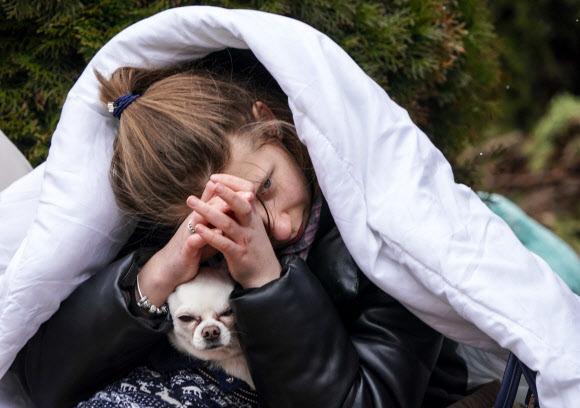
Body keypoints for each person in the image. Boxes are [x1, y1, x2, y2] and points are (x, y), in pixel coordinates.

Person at [14, 50, 469, 408]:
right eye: (229, 216)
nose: (282, 225)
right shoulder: (169, 237)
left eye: (266, 185)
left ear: (267, 121)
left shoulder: (384, 226)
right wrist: (156, 276)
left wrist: (264, 280)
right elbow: (43, 386)